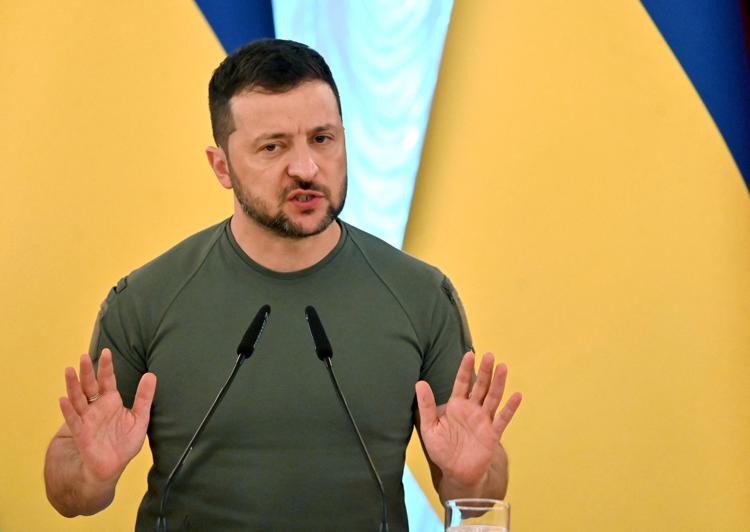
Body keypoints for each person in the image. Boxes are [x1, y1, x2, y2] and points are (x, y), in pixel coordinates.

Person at [44, 39, 522, 531]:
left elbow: (474, 495)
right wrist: (92, 474)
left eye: (322, 139)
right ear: (221, 166)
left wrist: (469, 475)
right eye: (273, 147)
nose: (306, 168)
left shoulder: (422, 296)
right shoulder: (145, 300)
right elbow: (69, 492)